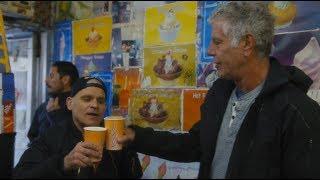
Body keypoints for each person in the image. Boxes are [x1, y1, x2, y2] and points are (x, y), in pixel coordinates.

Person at [118, 2, 320, 179]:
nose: (209, 50)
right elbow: (198, 144)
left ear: (247, 44)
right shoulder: (220, 92)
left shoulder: (297, 111)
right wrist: (136, 137)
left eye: (217, 41)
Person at [14, 77, 142, 178]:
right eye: (87, 99)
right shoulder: (52, 136)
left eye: (101, 101)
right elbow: (20, 175)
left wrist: (129, 151)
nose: (94, 105)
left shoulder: (114, 135)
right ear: (70, 103)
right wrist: (63, 163)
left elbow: (134, 175)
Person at [27, 61, 79, 142]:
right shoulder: (46, 105)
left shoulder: (77, 107)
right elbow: (32, 135)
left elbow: (71, 139)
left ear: (65, 79)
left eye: (51, 76)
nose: (46, 80)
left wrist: (56, 115)